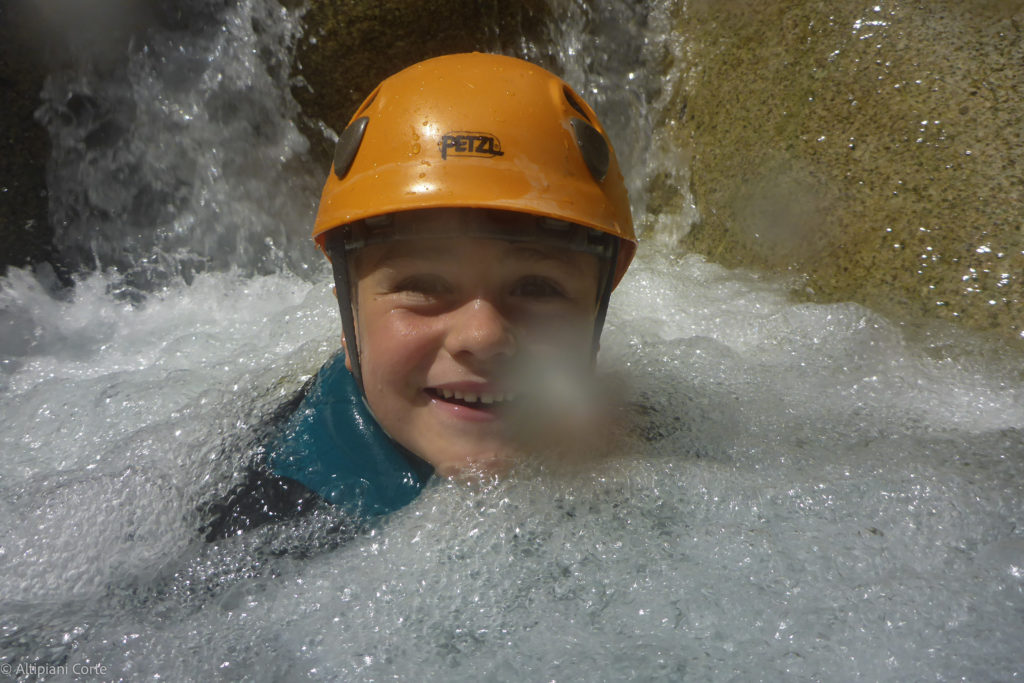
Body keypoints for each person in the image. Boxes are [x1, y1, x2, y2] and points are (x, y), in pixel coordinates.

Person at [201, 52, 636, 542]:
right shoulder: (267, 528)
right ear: (350, 327)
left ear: (596, 318)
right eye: (424, 286)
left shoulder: (648, 448)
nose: (484, 335)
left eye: (536, 288)